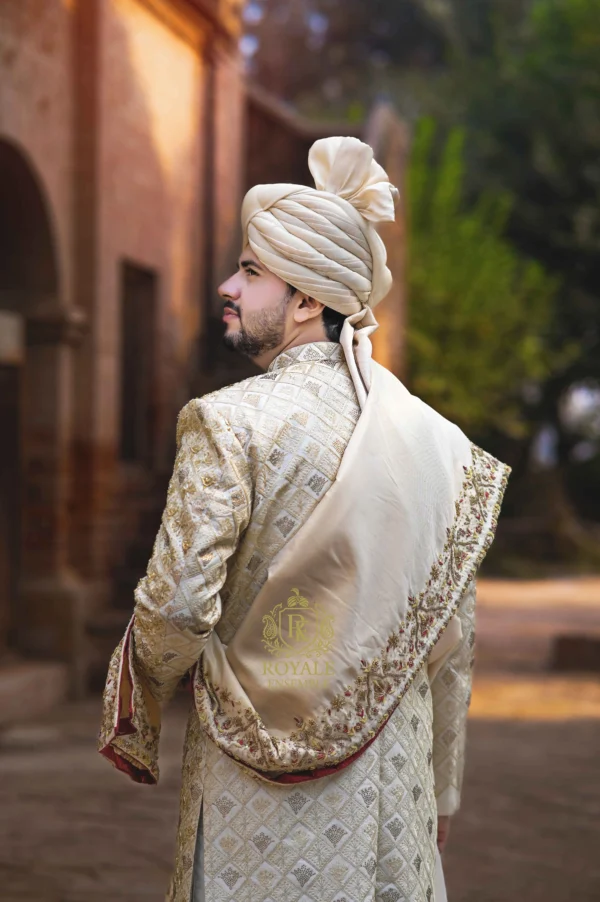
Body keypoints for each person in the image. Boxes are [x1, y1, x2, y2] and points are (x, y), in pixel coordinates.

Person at [99, 136, 510, 902]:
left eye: (250, 271)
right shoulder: (440, 445)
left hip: (251, 797)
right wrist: (441, 792)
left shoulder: (227, 422)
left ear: (306, 301)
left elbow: (179, 604)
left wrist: (135, 711)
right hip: (395, 788)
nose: (227, 286)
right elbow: (453, 647)